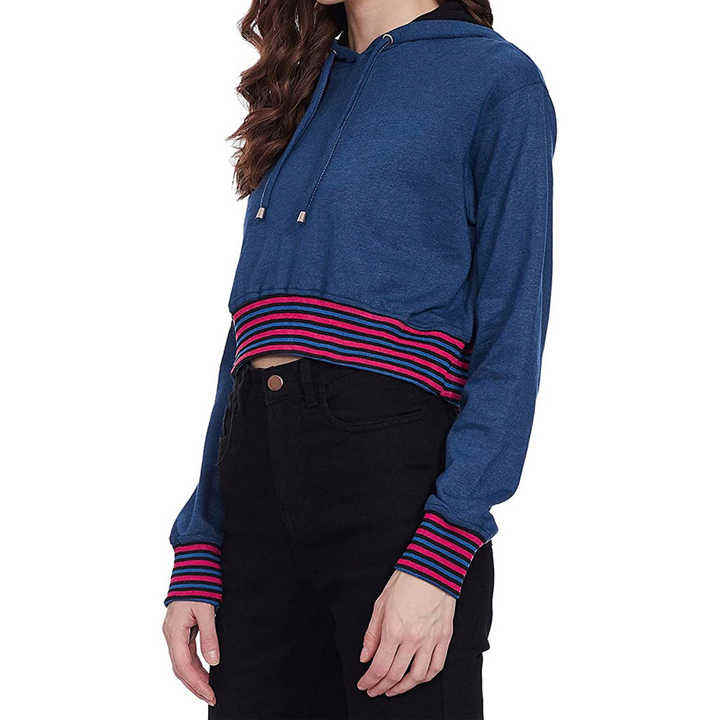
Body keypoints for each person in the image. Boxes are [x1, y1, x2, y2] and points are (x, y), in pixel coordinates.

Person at [162, 1, 555, 718]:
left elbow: (512, 331)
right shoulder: (303, 86)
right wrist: (202, 537)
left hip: (392, 479)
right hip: (256, 473)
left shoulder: (496, 79)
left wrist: (445, 550)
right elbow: (249, 332)